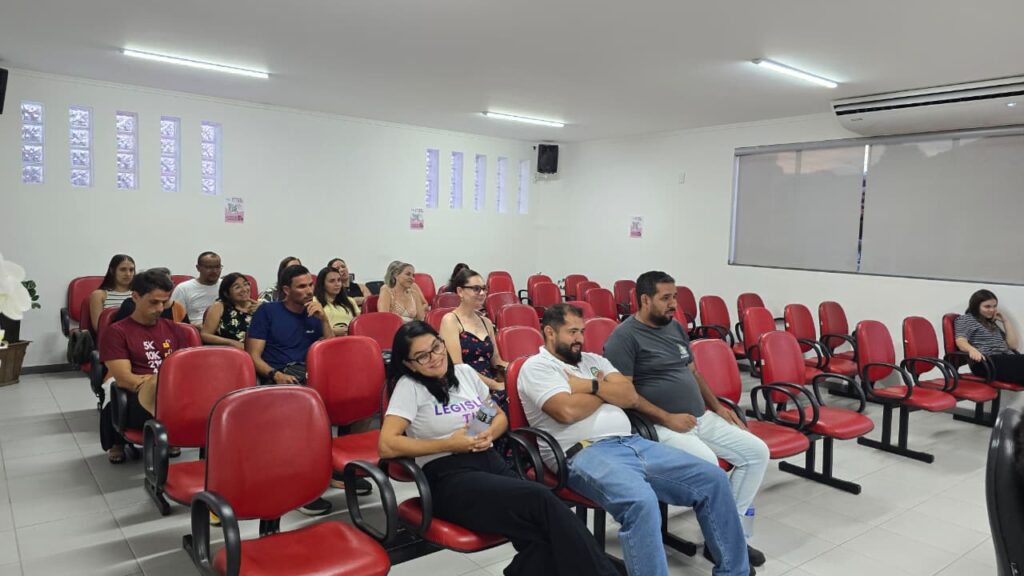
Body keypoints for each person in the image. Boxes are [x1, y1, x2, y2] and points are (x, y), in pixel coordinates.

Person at [518, 304, 750, 576]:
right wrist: (607, 391)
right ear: (549, 332)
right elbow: (566, 411)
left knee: (714, 479)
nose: (580, 338)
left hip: (632, 442)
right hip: (583, 452)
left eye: (582, 331)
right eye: (572, 332)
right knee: (641, 502)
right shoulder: (537, 367)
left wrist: (589, 387)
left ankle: (735, 572)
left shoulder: (593, 360)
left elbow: (629, 396)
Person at [379, 321, 619, 576]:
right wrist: (449, 443)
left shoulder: (464, 374)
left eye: (436, 347)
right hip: (448, 476)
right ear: (409, 364)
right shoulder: (410, 387)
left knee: (544, 532)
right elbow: (387, 444)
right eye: (422, 356)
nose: (435, 357)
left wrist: (486, 434)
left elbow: (495, 415)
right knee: (541, 500)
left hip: (488, 460)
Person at [604, 271, 769, 568]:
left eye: (675, 297)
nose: (673, 304)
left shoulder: (675, 328)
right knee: (710, 468)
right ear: (645, 300)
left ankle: (729, 536)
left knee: (757, 453)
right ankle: (725, 546)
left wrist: (717, 407)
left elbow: (693, 372)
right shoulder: (624, 337)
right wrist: (667, 417)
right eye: (665, 298)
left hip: (700, 417)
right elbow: (625, 395)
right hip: (658, 425)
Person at [246, 264, 334, 516]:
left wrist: (324, 320)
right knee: (306, 410)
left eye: (310, 285)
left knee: (356, 393)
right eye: (301, 287)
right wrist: (276, 375)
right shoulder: (268, 312)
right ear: (286, 290)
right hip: (280, 375)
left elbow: (330, 350)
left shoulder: (314, 312)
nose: (309, 291)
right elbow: (252, 356)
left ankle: (336, 467)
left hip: (310, 372)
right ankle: (301, 484)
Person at [98, 270, 197, 464]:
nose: (160, 308)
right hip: (137, 395)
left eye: (164, 302)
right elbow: (125, 379)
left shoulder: (175, 329)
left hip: (171, 392)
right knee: (154, 385)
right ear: (135, 297)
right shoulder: (117, 332)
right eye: (154, 302)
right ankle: (123, 440)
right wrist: (155, 382)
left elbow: (187, 372)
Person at [438, 268, 508, 403]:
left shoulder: (486, 322)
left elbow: (496, 361)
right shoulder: (451, 320)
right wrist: (495, 385)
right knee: (501, 404)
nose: (482, 293)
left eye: (484, 288)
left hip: (489, 381)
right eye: (476, 289)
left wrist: (520, 369)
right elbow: (458, 367)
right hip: (465, 385)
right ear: (460, 291)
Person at [955, 289, 1024, 384]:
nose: (992, 310)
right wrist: (971, 350)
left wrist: (1005, 321)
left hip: (1004, 360)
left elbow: (1013, 345)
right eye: (987, 306)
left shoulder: (991, 324)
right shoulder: (966, 319)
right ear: (976, 306)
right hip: (986, 363)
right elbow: (960, 341)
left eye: (994, 306)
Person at [201, 272, 259, 348]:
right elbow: (205, 335)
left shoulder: (259, 307)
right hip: (228, 351)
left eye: (246, 284)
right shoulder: (219, 307)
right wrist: (232, 343)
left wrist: (264, 310)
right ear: (226, 293)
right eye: (237, 287)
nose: (244, 289)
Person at [170, 251, 222, 325]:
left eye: (217, 267)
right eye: (209, 267)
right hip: (194, 327)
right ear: (198, 268)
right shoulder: (183, 288)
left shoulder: (226, 286)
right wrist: (195, 326)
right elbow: (175, 319)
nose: (214, 271)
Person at [89, 254, 136, 329]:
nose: (128, 274)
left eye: (131, 270)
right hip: (112, 334)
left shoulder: (138, 293)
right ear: (112, 271)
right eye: (123, 269)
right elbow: (98, 328)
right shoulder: (99, 295)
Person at [314, 266, 360, 336]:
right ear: (322, 284)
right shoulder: (314, 301)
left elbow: (359, 325)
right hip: (326, 339)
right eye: (332, 281)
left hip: (350, 338)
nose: (337, 284)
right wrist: (332, 331)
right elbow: (313, 329)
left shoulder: (350, 301)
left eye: (339, 280)